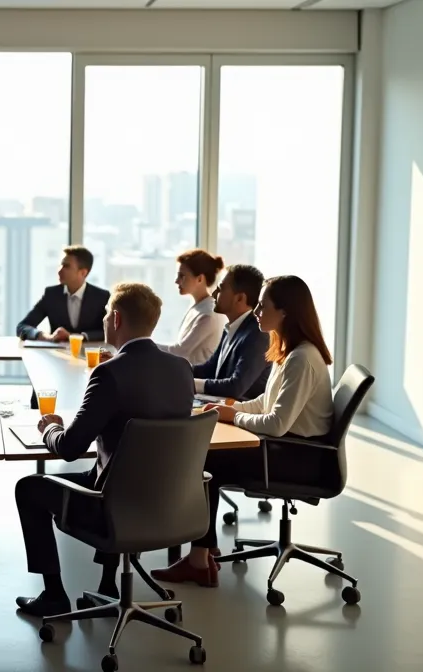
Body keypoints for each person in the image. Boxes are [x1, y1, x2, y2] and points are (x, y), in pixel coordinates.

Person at [13, 282, 194, 617]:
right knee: (114, 471)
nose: (105, 319)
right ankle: (107, 585)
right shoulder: (181, 368)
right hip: (171, 503)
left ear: (116, 319)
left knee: (29, 488)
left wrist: (49, 428)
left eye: (108, 315)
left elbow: (70, 447)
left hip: (113, 508)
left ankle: (54, 595)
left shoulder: (108, 374)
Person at [152, 275, 335, 588]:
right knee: (206, 460)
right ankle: (203, 551)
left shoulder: (302, 358)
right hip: (286, 448)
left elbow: (276, 423)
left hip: (298, 457)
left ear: (285, 312)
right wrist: (229, 410)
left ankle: (199, 558)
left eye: (263, 306)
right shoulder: (289, 350)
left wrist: (233, 417)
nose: (256, 312)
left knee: (205, 463)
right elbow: (265, 402)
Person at [193, 264, 270, 401]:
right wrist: (174, 369)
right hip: (217, 406)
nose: (213, 294)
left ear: (240, 298)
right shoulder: (231, 327)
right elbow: (209, 369)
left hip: (239, 412)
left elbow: (236, 387)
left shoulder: (257, 334)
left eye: (220, 289)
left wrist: (191, 384)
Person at [16, 245, 110, 343]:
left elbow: (110, 330)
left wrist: (79, 337)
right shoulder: (51, 295)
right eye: (60, 265)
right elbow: (23, 326)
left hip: (90, 352)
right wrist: (44, 336)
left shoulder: (102, 297)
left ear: (83, 273)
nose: (59, 271)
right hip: (57, 352)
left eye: (66, 266)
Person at [159, 249, 228, 366]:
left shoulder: (208, 314)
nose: (176, 281)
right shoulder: (198, 306)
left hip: (197, 375)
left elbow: (180, 351)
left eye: (182, 276)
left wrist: (144, 345)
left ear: (200, 279)